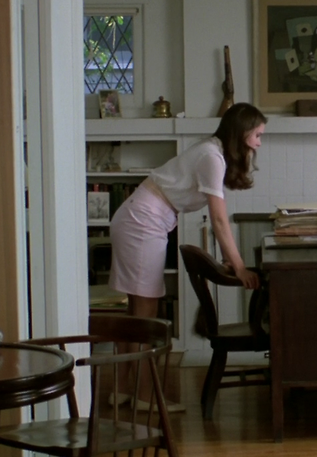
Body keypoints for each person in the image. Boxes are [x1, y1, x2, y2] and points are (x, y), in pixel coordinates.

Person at [109, 102, 266, 318]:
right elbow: (219, 220)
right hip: (142, 221)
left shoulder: (213, 152)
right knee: (146, 306)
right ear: (242, 132)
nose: (259, 143)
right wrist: (240, 268)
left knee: (138, 305)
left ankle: (135, 343)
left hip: (138, 218)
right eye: (257, 135)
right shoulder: (211, 157)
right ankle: (143, 343)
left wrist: (229, 259)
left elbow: (219, 216)